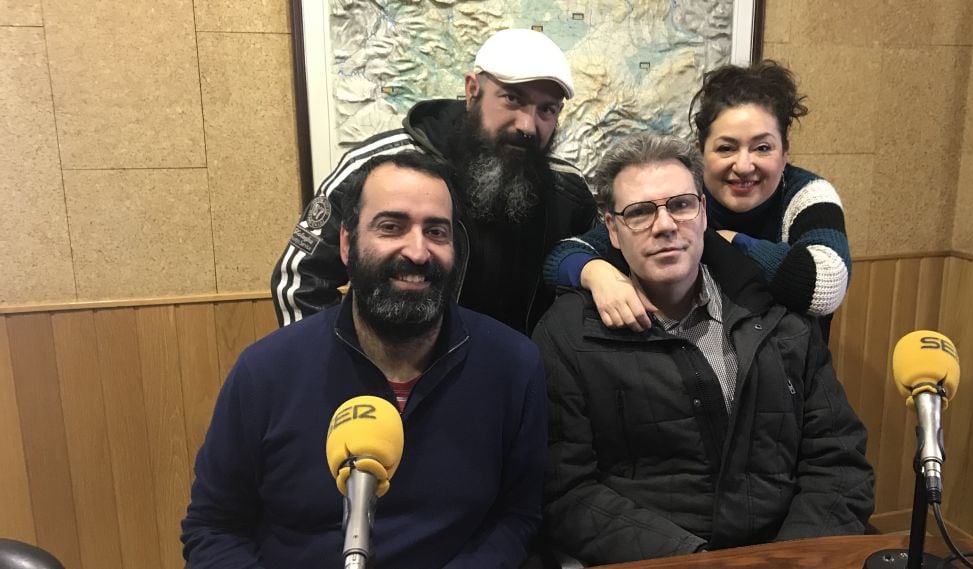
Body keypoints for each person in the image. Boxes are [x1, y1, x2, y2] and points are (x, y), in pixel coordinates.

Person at [183, 152, 548, 569]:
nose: (417, 251)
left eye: (436, 232)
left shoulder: (514, 367)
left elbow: (518, 517)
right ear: (346, 243)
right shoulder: (264, 372)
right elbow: (213, 528)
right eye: (391, 226)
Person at [532, 134, 873, 566]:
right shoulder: (568, 336)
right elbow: (566, 492)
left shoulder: (779, 319)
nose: (665, 225)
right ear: (612, 231)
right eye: (639, 212)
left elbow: (838, 461)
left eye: (680, 205)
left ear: (703, 212)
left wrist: (793, 557)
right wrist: (695, 561)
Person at [273, 28, 597, 334]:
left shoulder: (568, 191)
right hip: (400, 382)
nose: (528, 124)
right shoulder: (381, 166)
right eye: (512, 99)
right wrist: (339, 373)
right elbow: (301, 281)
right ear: (472, 91)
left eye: (547, 110)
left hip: (518, 381)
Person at [543, 61, 849, 339]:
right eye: (726, 148)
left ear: (785, 151)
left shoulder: (808, 195)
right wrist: (597, 274)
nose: (743, 165)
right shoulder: (681, 201)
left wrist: (732, 242)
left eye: (763, 148)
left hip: (792, 372)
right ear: (700, 151)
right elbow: (565, 254)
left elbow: (825, 284)